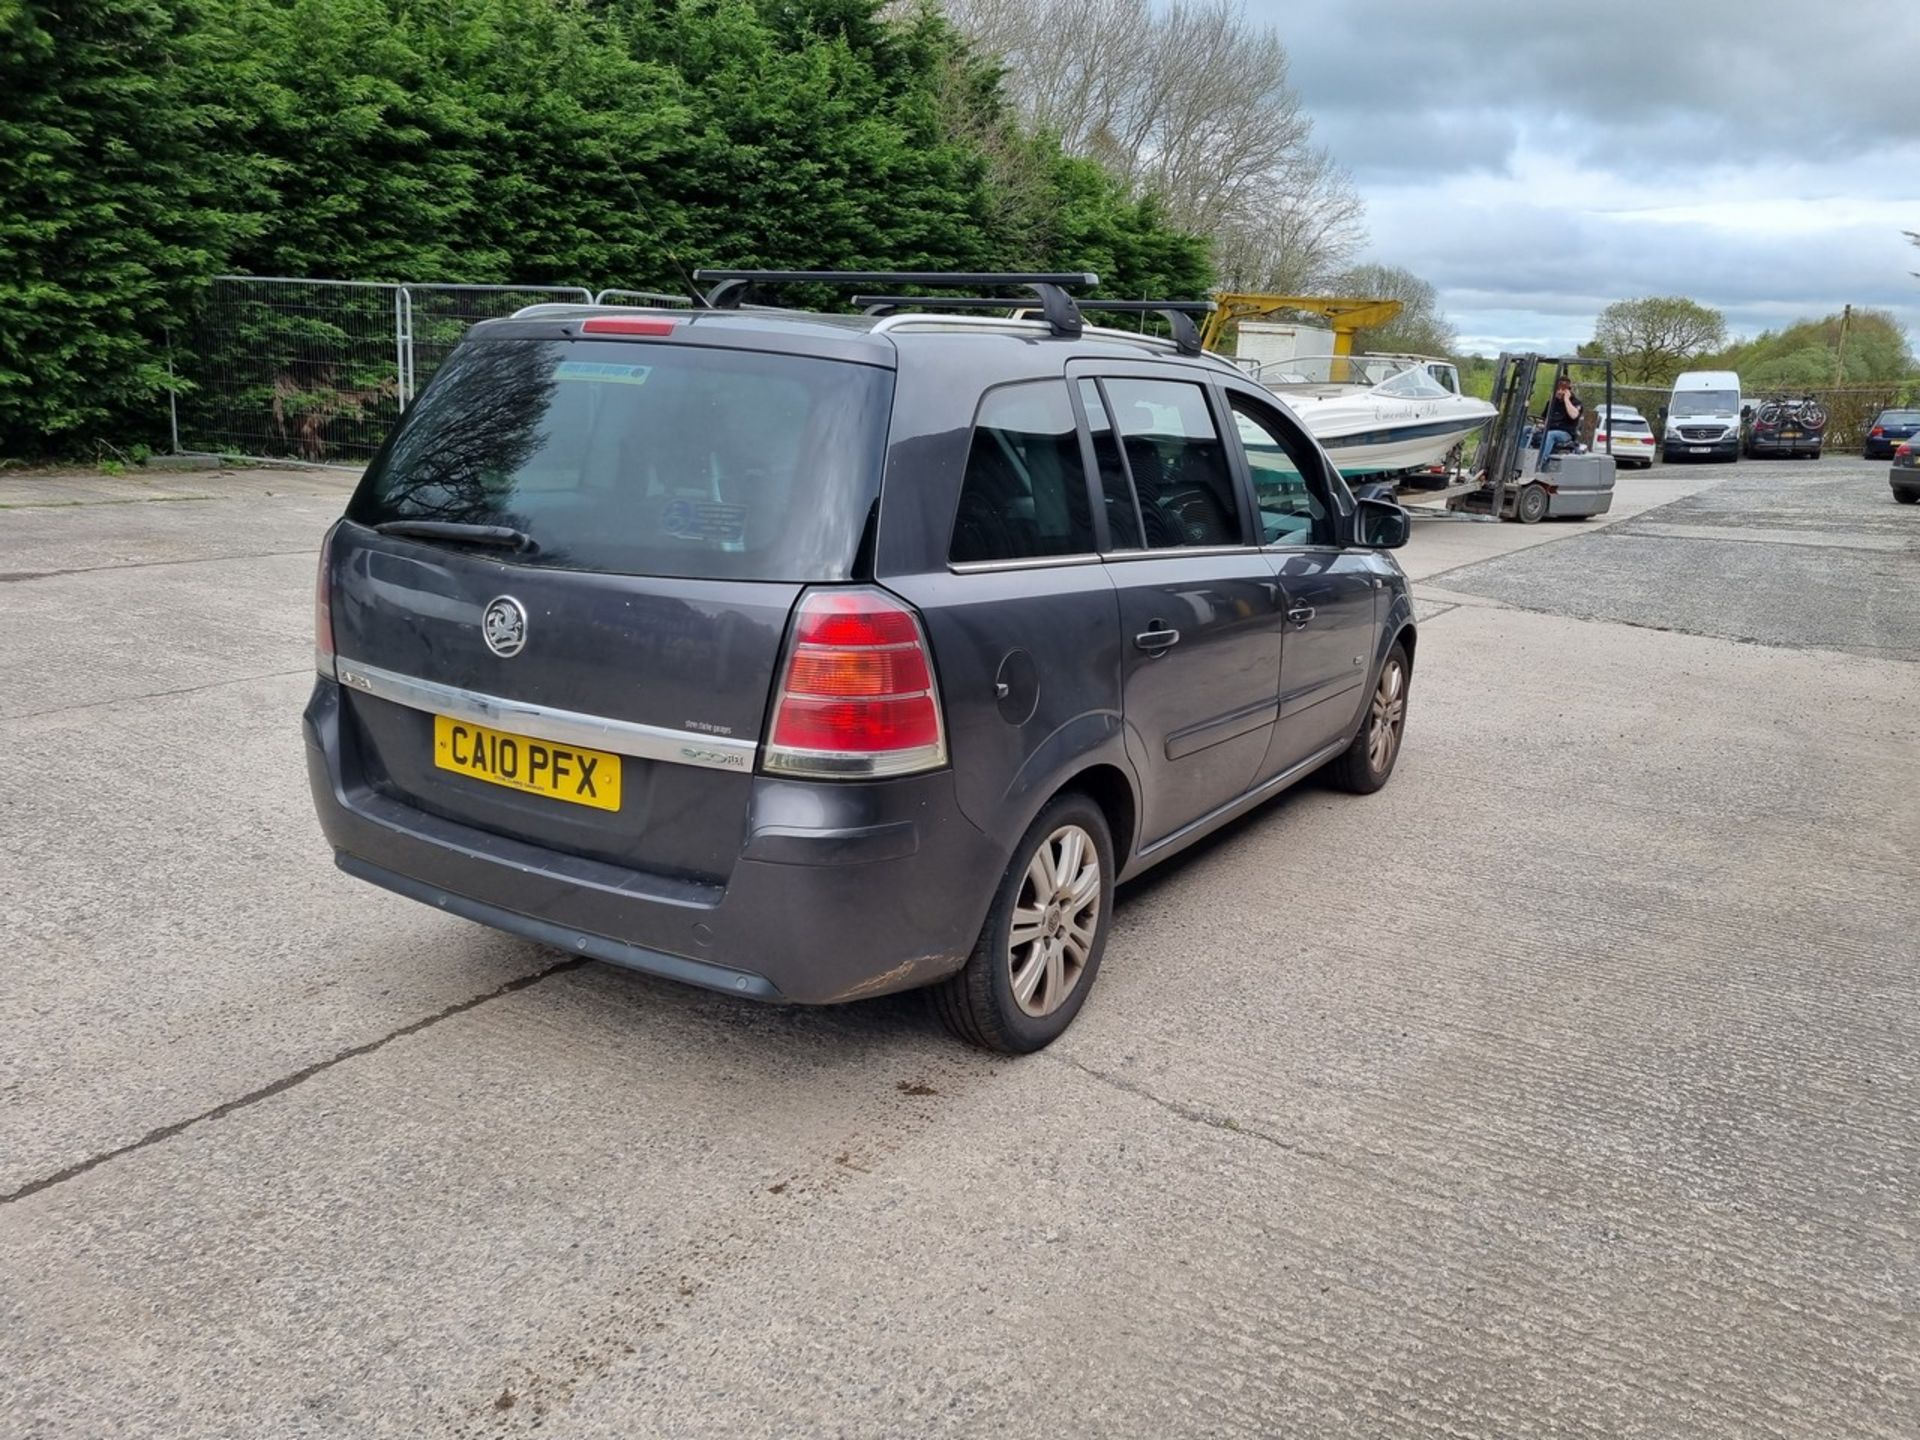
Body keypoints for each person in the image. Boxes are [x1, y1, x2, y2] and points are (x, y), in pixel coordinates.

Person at [1538, 375, 1582, 469]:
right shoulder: (1552, 402)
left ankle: (1540, 463)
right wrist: (1540, 424)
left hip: (1565, 433)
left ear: (1568, 390)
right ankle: (1518, 463)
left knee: (1550, 435)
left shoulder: (1575, 403)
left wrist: (1566, 399)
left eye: (1562, 390)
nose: (1559, 392)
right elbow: (1543, 418)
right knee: (1526, 430)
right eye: (1558, 389)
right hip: (1548, 429)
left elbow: (1574, 415)